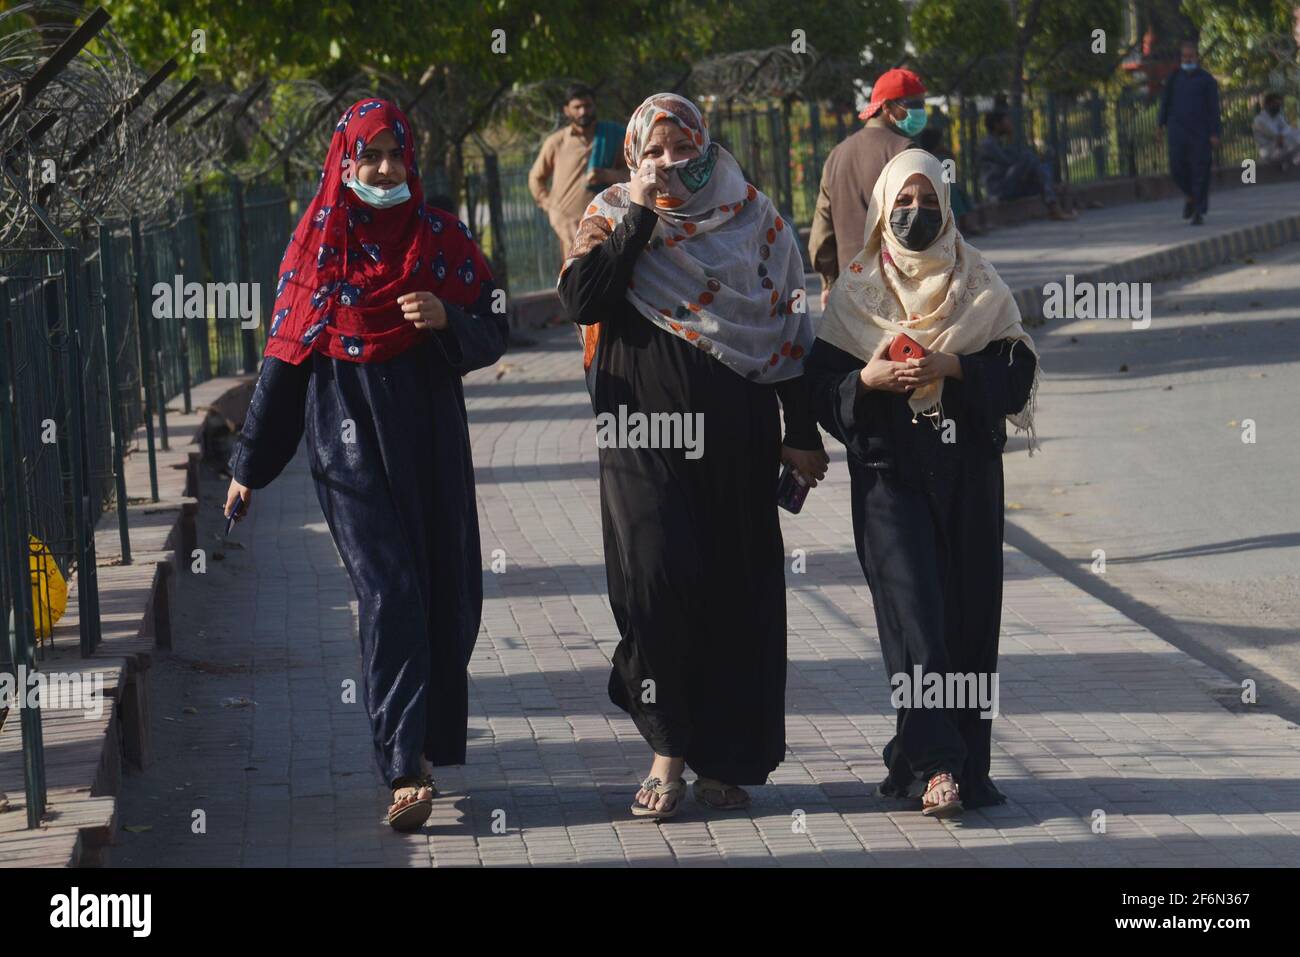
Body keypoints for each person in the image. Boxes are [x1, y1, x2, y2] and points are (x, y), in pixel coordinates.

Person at [222, 99, 508, 832]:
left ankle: (429, 741)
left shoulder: (440, 237)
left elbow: (496, 319)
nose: (384, 170)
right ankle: (404, 767)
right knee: (391, 591)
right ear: (344, 164)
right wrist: (248, 465)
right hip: (344, 436)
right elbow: (284, 360)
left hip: (431, 439)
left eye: (394, 156)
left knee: (448, 591)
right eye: (369, 157)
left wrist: (449, 318)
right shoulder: (319, 244)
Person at [558, 92, 828, 819]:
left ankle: (724, 759)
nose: (670, 162)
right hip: (640, 439)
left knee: (733, 589)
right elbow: (582, 299)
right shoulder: (613, 213)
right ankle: (666, 748)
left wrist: (800, 431)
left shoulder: (756, 220)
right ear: (632, 159)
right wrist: (641, 216)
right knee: (653, 580)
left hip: (738, 439)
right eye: (653, 152)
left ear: (707, 147)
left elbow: (792, 331)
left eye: (683, 149)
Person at [804, 149, 1039, 818]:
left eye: (927, 201)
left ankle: (955, 759)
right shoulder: (856, 292)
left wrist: (956, 366)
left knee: (968, 621)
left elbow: (1017, 375)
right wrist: (867, 382)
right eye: (901, 203)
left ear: (946, 204)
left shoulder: (980, 283)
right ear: (881, 208)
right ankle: (938, 765)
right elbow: (820, 390)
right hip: (889, 479)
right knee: (915, 623)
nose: (914, 214)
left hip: (969, 476)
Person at [808, 66, 927, 311]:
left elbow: (821, 233)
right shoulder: (905, 152)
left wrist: (829, 283)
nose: (920, 112)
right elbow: (923, 224)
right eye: (912, 105)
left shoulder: (837, 155)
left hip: (850, 291)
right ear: (886, 107)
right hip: (901, 295)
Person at [529, 83, 630, 254]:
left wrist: (606, 175)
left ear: (594, 106)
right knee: (576, 276)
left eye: (587, 106)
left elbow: (631, 175)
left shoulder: (613, 136)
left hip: (609, 223)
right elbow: (535, 178)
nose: (583, 112)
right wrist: (550, 207)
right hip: (569, 229)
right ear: (566, 110)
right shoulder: (557, 142)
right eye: (577, 107)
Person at [1157, 39, 1221, 225]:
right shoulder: (1174, 78)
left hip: (1200, 133)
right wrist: (1160, 125)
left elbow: (1214, 108)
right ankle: (1191, 197)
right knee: (1177, 168)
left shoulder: (1206, 80)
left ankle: (1198, 211)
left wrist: (1215, 133)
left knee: (1200, 171)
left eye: (1190, 56)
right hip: (1178, 131)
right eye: (1184, 57)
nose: (1187, 60)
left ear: (1197, 57)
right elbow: (1165, 103)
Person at [976, 110, 1074, 220]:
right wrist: (1010, 138)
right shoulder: (988, 144)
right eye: (1006, 121)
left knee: (1040, 178)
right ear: (997, 124)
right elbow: (1009, 162)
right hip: (999, 190)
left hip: (1009, 185)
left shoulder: (998, 142)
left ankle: (1058, 206)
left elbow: (1015, 161)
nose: (1010, 124)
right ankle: (1054, 209)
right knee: (1029, 158)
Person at [917, 126, 981, 235]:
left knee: (955, 191)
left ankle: (961, 225)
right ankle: (961, 224)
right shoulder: (943, 158)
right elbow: (953, 179)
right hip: (937, 190)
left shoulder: (924, 157)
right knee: (954, 191)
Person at [1253, 92, 1300, 169]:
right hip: (1269, 151)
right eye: (1276, 104)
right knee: (1296, 138)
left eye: (1280, 105)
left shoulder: (1278, 117)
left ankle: (1290, 163)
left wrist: (1283, 135)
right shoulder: (1259, 120)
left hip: (1282, 145)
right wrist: (1282, 135)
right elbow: (1275, 135)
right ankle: (1287, 162)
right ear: (1267, 105)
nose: (1278, 107)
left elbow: (1287, 129)